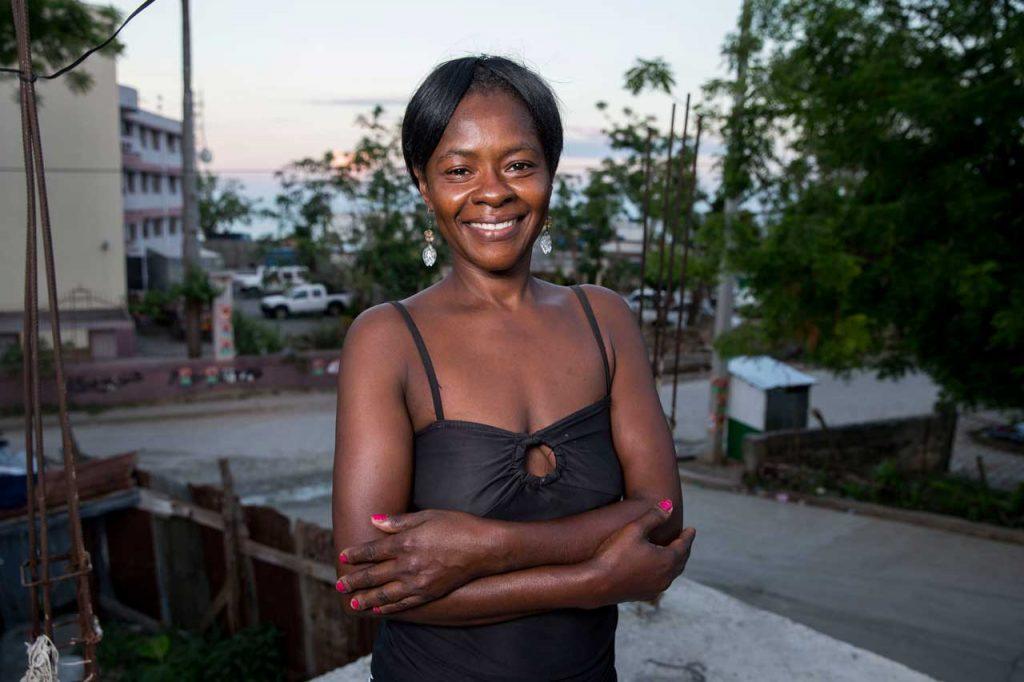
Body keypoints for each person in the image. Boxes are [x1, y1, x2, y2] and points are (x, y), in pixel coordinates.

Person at [332, 55, 696, 681]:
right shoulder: (386, 339)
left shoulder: (604, 319)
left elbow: (661, 513)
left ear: (550, 174)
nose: (493, 190)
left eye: (519, 164)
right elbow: (371, 582)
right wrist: (591, 580)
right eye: (458, 169)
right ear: (424, 184)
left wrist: (484, 547)